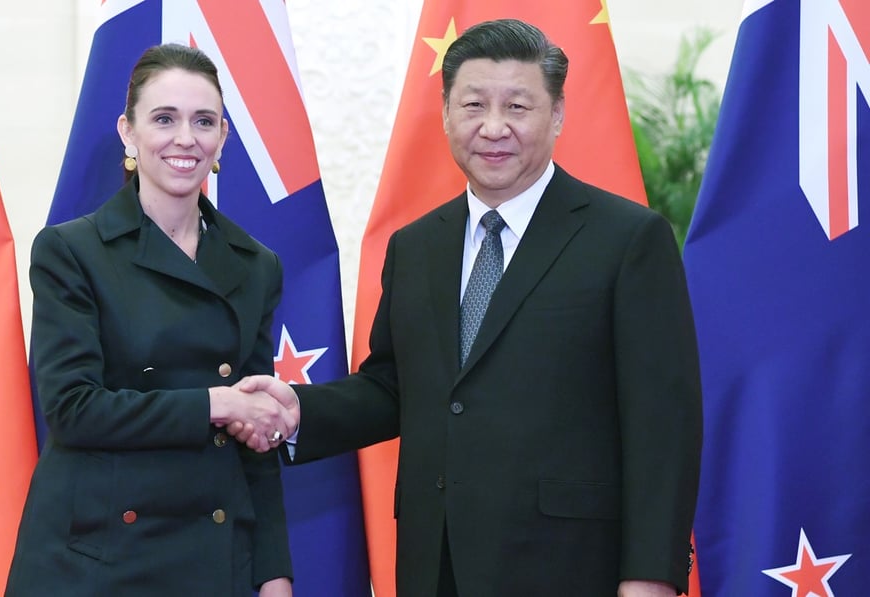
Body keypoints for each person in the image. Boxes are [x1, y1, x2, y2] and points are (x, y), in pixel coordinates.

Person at [235, 19, 702, 597]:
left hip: (572, 567)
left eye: (518, 106)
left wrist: (651, 577)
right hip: (436, 563)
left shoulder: (628, 239)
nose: (494, 127)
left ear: (556, 115)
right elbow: (394, 388)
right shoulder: (416, 245)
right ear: (446, 113)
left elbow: (663, 425)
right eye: (474, 104)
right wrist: (295, 412)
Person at [5, 44, 294, 597]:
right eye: (164, 119)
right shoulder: (71, 250)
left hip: (214, 556)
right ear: (128, 131)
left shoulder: (257, 265)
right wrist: (217, 402)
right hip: (96, 559)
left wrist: (273, 571)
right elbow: (73, 410)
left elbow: (256, 437)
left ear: (223, 139)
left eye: (203, 121)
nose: (185, 139)